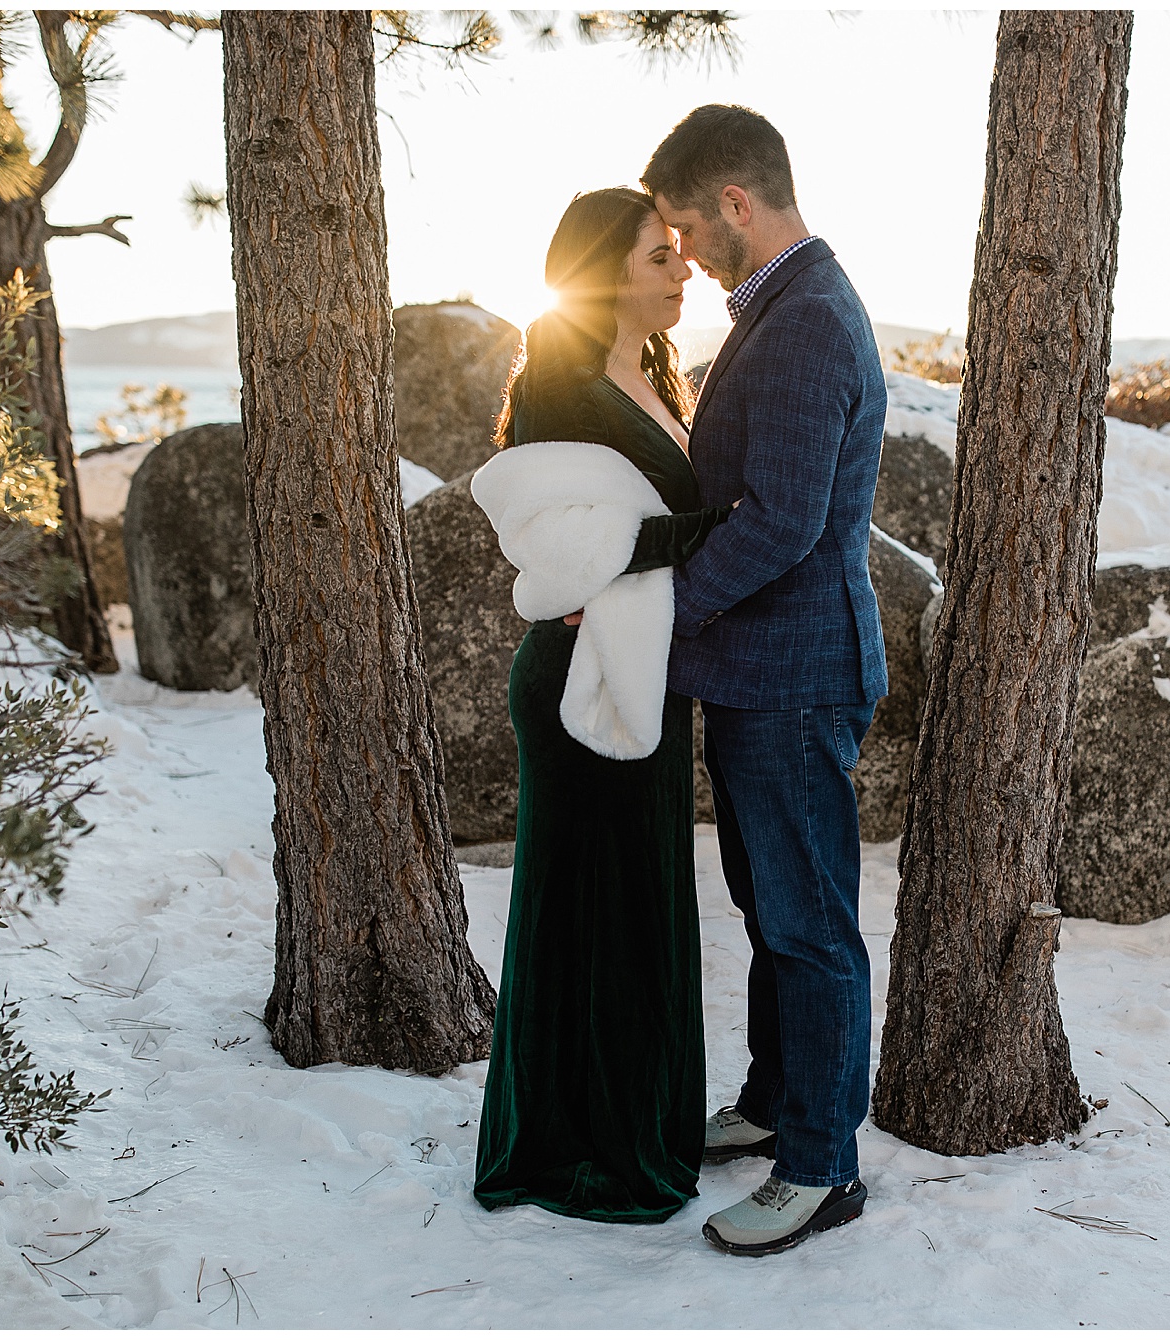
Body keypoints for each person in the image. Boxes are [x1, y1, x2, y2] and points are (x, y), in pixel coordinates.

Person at [643, 105, 889, 1256]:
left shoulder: (804, 324)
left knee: (807, 926)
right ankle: (769, 1102)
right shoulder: (778, 306)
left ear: (736, 204)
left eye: (689, 227)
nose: (683, 250)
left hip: (793, 674)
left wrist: (658, 611)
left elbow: (782, 520)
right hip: (756, 674)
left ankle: (821, 1166)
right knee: (768, 908)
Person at [470, 187, 732, 1224]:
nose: (681, 271)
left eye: (677, 254)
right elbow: (564, 556)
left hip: (637, 667)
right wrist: (719, 527)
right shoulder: (563, 387)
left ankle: (636, 1126)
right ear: (605, 271)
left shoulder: (655, 375)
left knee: (637, 908)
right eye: (659, 256)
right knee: (588, 917)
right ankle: (573, 1151)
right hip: (577, 684)